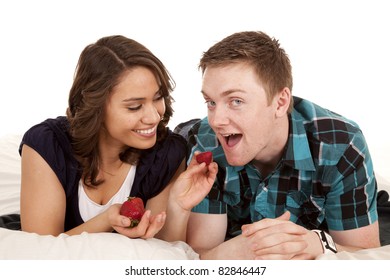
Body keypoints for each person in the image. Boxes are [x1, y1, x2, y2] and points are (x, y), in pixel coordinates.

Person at [174, 31, 381, 259]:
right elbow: (201, 255)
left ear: (281, 102)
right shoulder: (205, 141)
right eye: (211, 102)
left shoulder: (341, 145)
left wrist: (320, 244)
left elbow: (366, 255)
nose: (216, 121)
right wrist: (237, 251)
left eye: (236, 101)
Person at [16, 35, 192, 240]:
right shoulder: (46, 144)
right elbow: (39, 252)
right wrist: (106, 220)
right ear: (95, 107)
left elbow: (167, 251)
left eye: (158, 97)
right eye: (134, 107)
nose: (154, 117)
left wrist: (180, 207)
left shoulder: (167, 153)